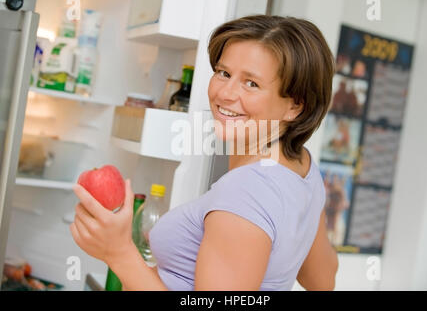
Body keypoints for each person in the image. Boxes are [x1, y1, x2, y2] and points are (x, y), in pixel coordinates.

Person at [70, 15, 339, 291]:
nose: (225, 93)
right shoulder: (303, 168)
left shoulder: (245, 191)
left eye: (251, 84)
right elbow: (321, 280)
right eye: (224, 73)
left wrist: (118, 253)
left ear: (295, 107)